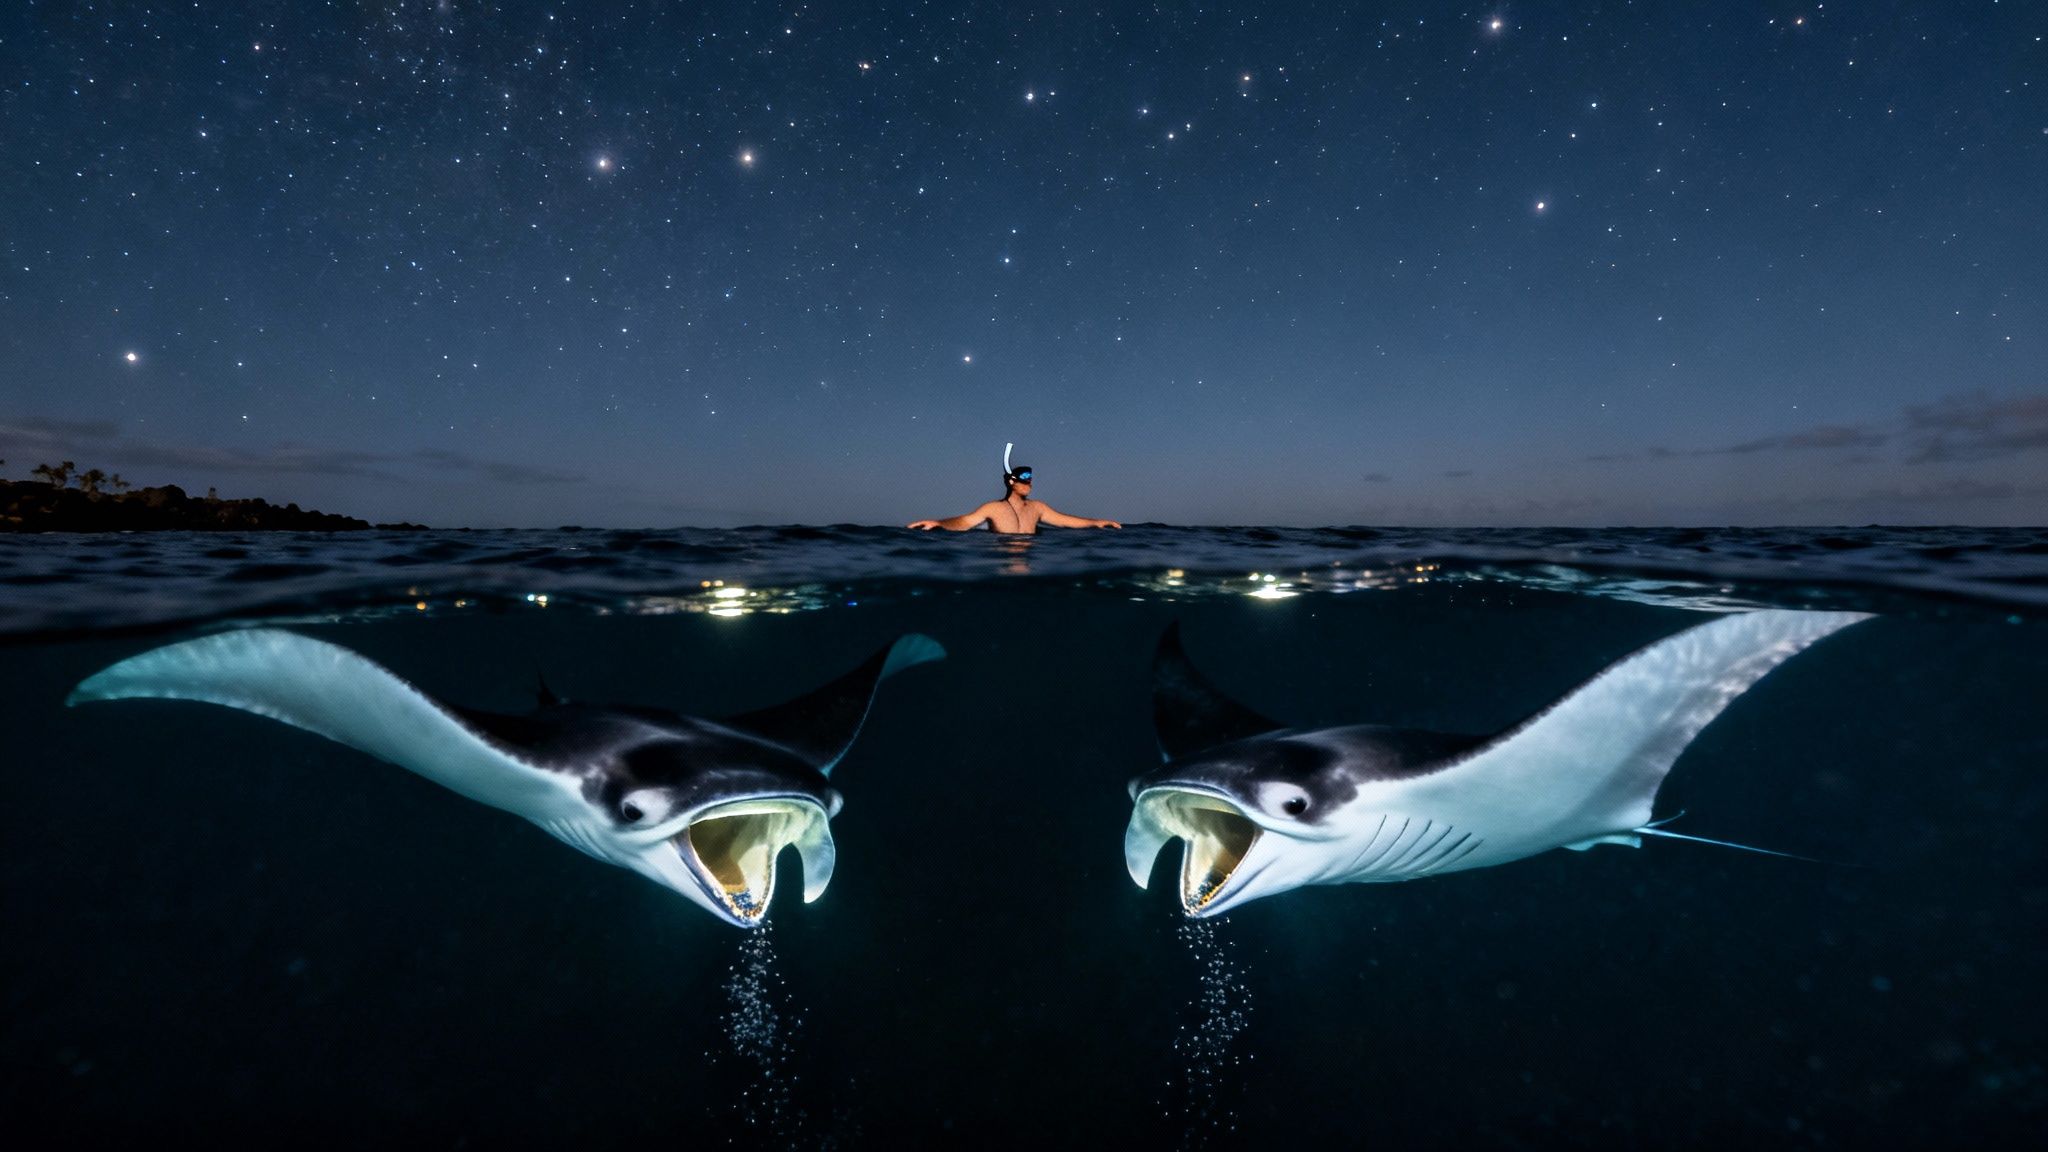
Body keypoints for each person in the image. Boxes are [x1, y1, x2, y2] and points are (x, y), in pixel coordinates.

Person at [907, 445, 1122, 535]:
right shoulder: (993, 508)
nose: (1030, 483)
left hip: (1031, 563)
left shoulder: (1037, 507)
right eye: (1024, 480)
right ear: (1011, 482)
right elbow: (965, 522)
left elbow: (1064, 520)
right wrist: (939, 524)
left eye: (1031, 480)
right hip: (1002, 564)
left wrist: (1095, 522)